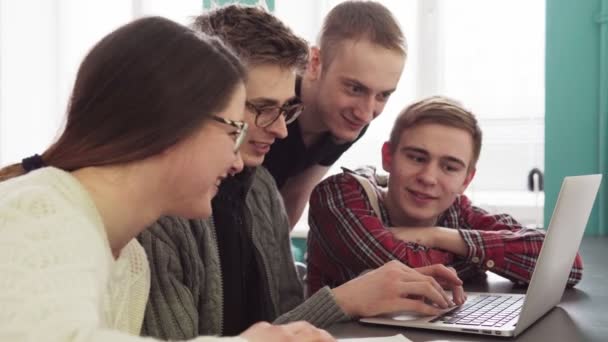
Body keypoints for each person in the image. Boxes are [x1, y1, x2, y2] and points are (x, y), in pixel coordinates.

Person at [138, 6, 465, 341]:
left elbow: (294, 204)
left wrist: (278, 246)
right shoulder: (161, 215)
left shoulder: (263, 186)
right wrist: (343, 300)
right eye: (263, 109)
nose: (367, 111)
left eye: (382, 95)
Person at [0, 16, 332, 342]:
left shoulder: (131, 261)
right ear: (172, 128)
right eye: (233, 131)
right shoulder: (39, 211)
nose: (234, 162)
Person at [306, 96, 584, 295]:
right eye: (416, 158)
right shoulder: (339, 196)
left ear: (466, 180)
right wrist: (473, 259)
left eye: (449, 167)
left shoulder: (456, 211)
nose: (428, 177)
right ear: (388, 157)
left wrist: (439, 236)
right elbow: (408, 270)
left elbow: (567, 264)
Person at [263, 0, 407, 227]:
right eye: (355, 88)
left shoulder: (348, 121)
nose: (366, 114)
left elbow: (296, 194)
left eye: (383, 95)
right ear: (315, 63)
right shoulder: (267, 105)